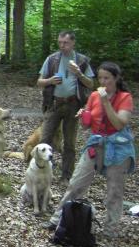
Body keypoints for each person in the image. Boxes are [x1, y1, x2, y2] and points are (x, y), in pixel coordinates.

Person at [42, 62, 136, 238]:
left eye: (106, 78)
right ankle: (57, 219)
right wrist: (83, 116)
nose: (103, 81)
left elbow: (118, 123)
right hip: (96, 144)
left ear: (116, 78)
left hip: (118, 148)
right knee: (76, 183)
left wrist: (106, 101)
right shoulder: (94, 95)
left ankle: (110, 229)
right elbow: (86, 126)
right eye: (100, 78)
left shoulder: (125, 98)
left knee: (114, 191)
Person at [37, 31, 95, 183]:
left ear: (73, 43)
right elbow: (39, 82)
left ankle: (66, 175)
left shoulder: (81, 60)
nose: (62, 46)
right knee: (44, 139)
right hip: (54, 103)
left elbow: (91, 84)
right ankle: (41, 172)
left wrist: (79, 74)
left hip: (73, 104)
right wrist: (49, 80)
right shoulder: (52, 59)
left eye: (66, 43)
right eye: (60, 42)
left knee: (69, 143)